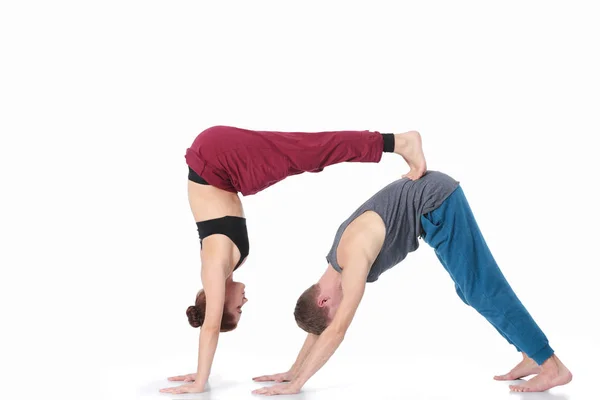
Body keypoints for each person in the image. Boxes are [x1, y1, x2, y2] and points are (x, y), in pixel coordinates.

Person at [160, 125, 427, 394]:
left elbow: (210, 328)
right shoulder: (229, 265)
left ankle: (399, 142)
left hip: (215, 157)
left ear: (218, 303)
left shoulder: (213, 268)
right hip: (226, 170)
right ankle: (395, 143)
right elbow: (211, 322)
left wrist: (199, 380)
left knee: (309, 150)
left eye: (238, 309)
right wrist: (294, 373)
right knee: (308, 157)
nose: (245, 302)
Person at [253, 171, 572, 395]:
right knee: (470, 292)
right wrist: (292, 370)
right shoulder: (333, 269)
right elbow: (322, 327)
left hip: (438, 201)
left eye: (332, 312)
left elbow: (336, 330)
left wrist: (299, 385)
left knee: (481, 288)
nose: (339, 312)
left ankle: (551, 366)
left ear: (323, 301)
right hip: (431, 206)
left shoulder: (352, 260)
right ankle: (532, 354)